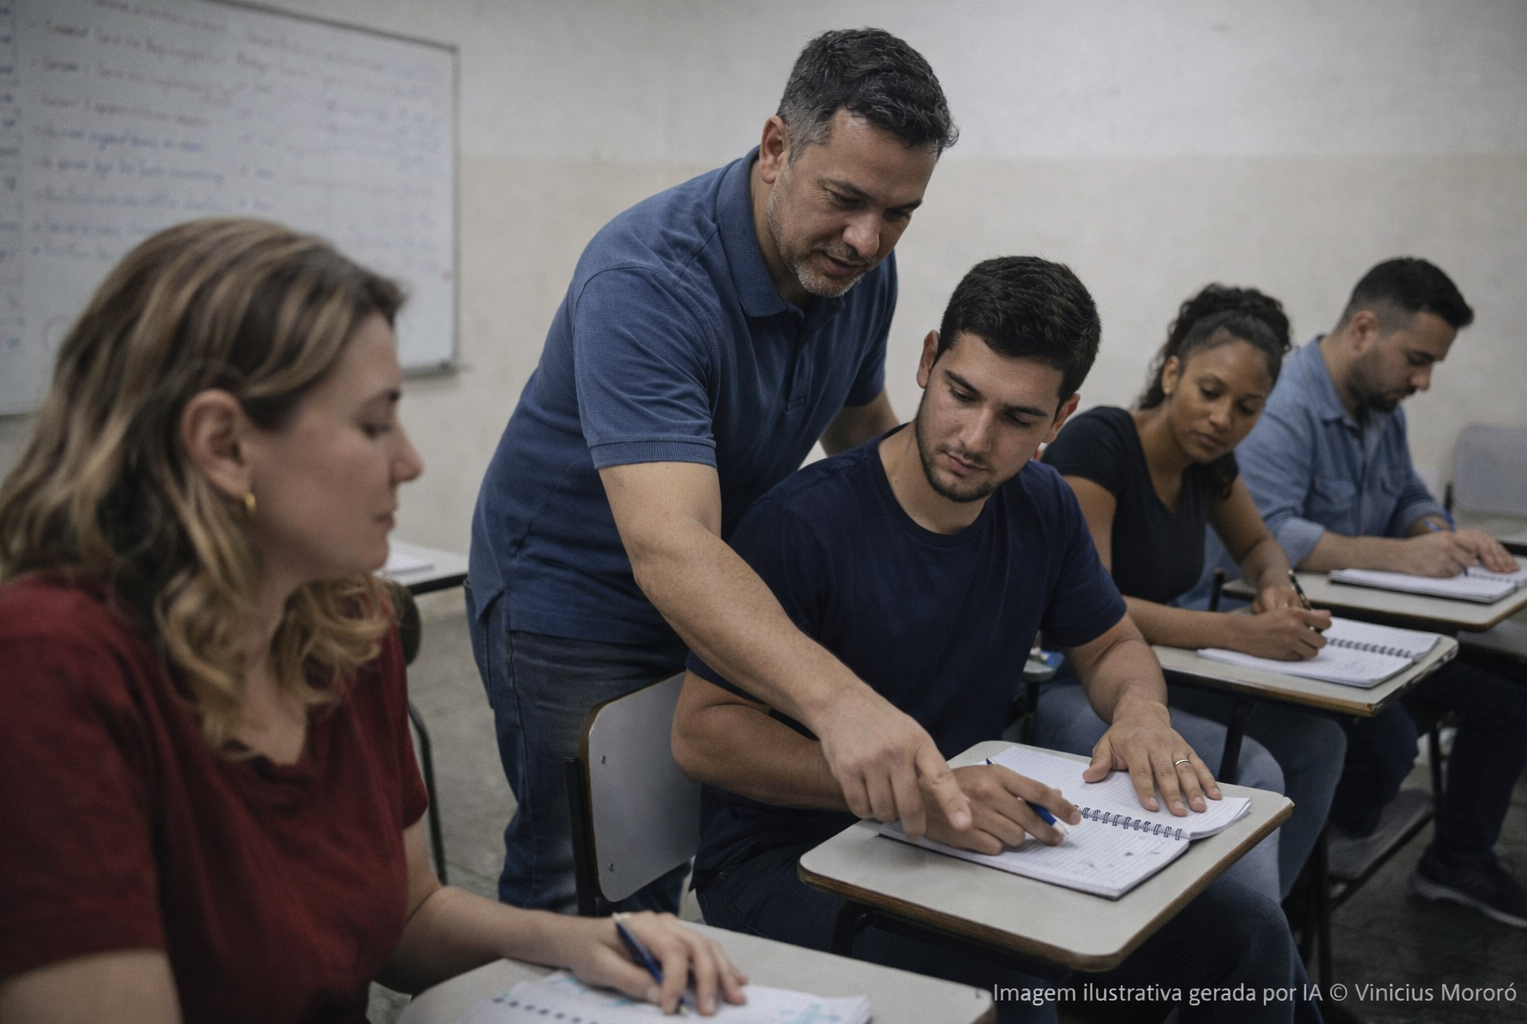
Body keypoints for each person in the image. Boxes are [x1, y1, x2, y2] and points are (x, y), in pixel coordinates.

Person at [0, 219, 746, 1022]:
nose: (411, 461)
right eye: (372, 423)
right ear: (222, 444)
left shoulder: (343, 622)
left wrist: (573, 943)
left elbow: (405, 918)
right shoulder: (50, 669)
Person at [672, 257, 1320, 1024]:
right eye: (961, 394)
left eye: (1018, 418)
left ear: (1061, 416)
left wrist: (1142, 714)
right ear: (926, 361)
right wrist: (922, 788)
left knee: (1249, 939)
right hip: (792, 861)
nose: (975, 439)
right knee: (1012, 999)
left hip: (963, 837)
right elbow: (703, 735)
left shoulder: (1041, 504)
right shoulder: (802, 524)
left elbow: (1111, 646)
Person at [466, 28, 973, 915]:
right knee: (588, 876)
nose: (866, 240)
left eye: (899, 213)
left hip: (711, 580)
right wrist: (839, 700)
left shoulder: (853, 274)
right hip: (574, 596)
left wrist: (973, 521)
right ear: (777, 147)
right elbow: (668, 545)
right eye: (846, 198)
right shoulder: (648, 279)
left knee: (668, 849)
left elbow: (864, 441)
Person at [1214, 256, 1527, 928]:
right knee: (1384, 738)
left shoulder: (1379, 405)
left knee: (1510, 697)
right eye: (1417, 359)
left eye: (1433, 366)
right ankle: (1310, 871)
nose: (1422, 381)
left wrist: (1438, 534)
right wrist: (1403, 553)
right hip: (1305, 632)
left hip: (1377, 628)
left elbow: (1409, 496)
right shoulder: (1283, 405)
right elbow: (1266, 536)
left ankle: (1455, 863)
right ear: (1363, 329)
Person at [1036, 285, 1346, 900]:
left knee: (1319, 743)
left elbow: (1260, 547)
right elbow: (1096, 605)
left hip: (1152, 675)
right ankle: (1219, 956)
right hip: (1073, 680)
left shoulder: (1210, 465)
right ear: (1173, 371)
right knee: (1253, 767)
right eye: (1211, 393)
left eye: (1247, 408)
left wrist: (1276, 588)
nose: (1223, 419)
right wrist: (1242, 633)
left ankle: (1252, 948)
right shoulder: (1100, 443)